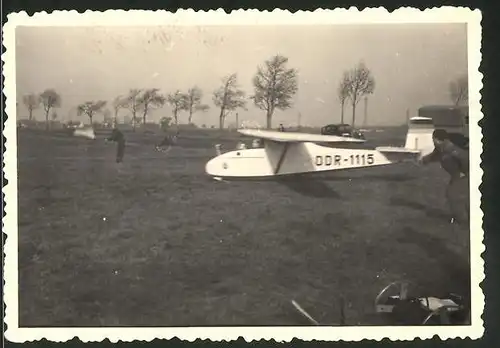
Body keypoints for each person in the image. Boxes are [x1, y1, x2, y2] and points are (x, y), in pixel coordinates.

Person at [419, 129, 469, 224]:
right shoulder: (440, 148)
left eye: (433, 138)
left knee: (454, 195)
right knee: (453, 195)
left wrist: (464, 172)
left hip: (463, 175)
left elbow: (465, 160)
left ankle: (463, 220)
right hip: (456, 175)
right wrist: (424, 160)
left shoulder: (452, 149)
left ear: (437, 139)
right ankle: (463, 218)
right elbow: (434, 155)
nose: (432, 141)